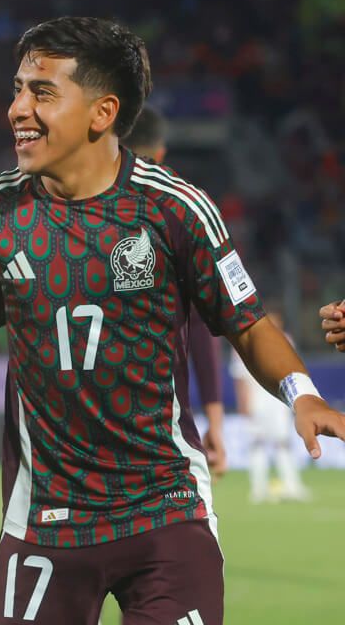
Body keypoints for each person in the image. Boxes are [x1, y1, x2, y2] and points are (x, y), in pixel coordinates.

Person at [0, 17, 345, 625]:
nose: (17, 108)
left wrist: (302, 392)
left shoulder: (173, 208)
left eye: (42, 92)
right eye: (18, 89)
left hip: (165, 510)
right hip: (44, 520)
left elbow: (248, 323)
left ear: (102, 113)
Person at [123, 106, 227, 478]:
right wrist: (215, 418)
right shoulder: (183, 209)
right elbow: (201, 325)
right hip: (165, 441)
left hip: (72, 449)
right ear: (161, 152)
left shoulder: (60, 211)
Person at [231, 311, 310, 503]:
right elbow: (240, 377)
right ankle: (259, 488)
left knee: (283, 442)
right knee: (257, 443)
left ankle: (292, 485)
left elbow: (294, 372)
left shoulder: (286, 341)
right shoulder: (244, 342)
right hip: (256, 401)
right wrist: (243, 402)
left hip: (278, 401)